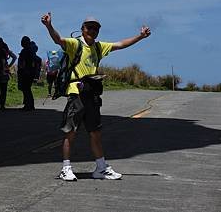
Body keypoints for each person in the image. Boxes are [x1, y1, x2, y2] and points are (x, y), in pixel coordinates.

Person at [41, 12, 151, 181]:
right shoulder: (75, 44)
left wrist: (140, 37)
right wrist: (49, 26)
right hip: (76, 93)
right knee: (70, 132)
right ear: (82, 29)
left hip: (91, 94)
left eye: (95, 28)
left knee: (95, 133)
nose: (92, 30)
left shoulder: (99, 47)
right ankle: (66, 168)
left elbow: (120, 44)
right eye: (89, 27)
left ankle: (101, 168)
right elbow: (58, 40)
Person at [17, 36, 40, 111]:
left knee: (26, 89)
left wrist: (22, 69)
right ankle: (30, 105)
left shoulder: (25, 51)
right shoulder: (31, 50)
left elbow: (23, 62)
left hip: (26, 72)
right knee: (27, 89)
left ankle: (28, 106)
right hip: (31, 72)